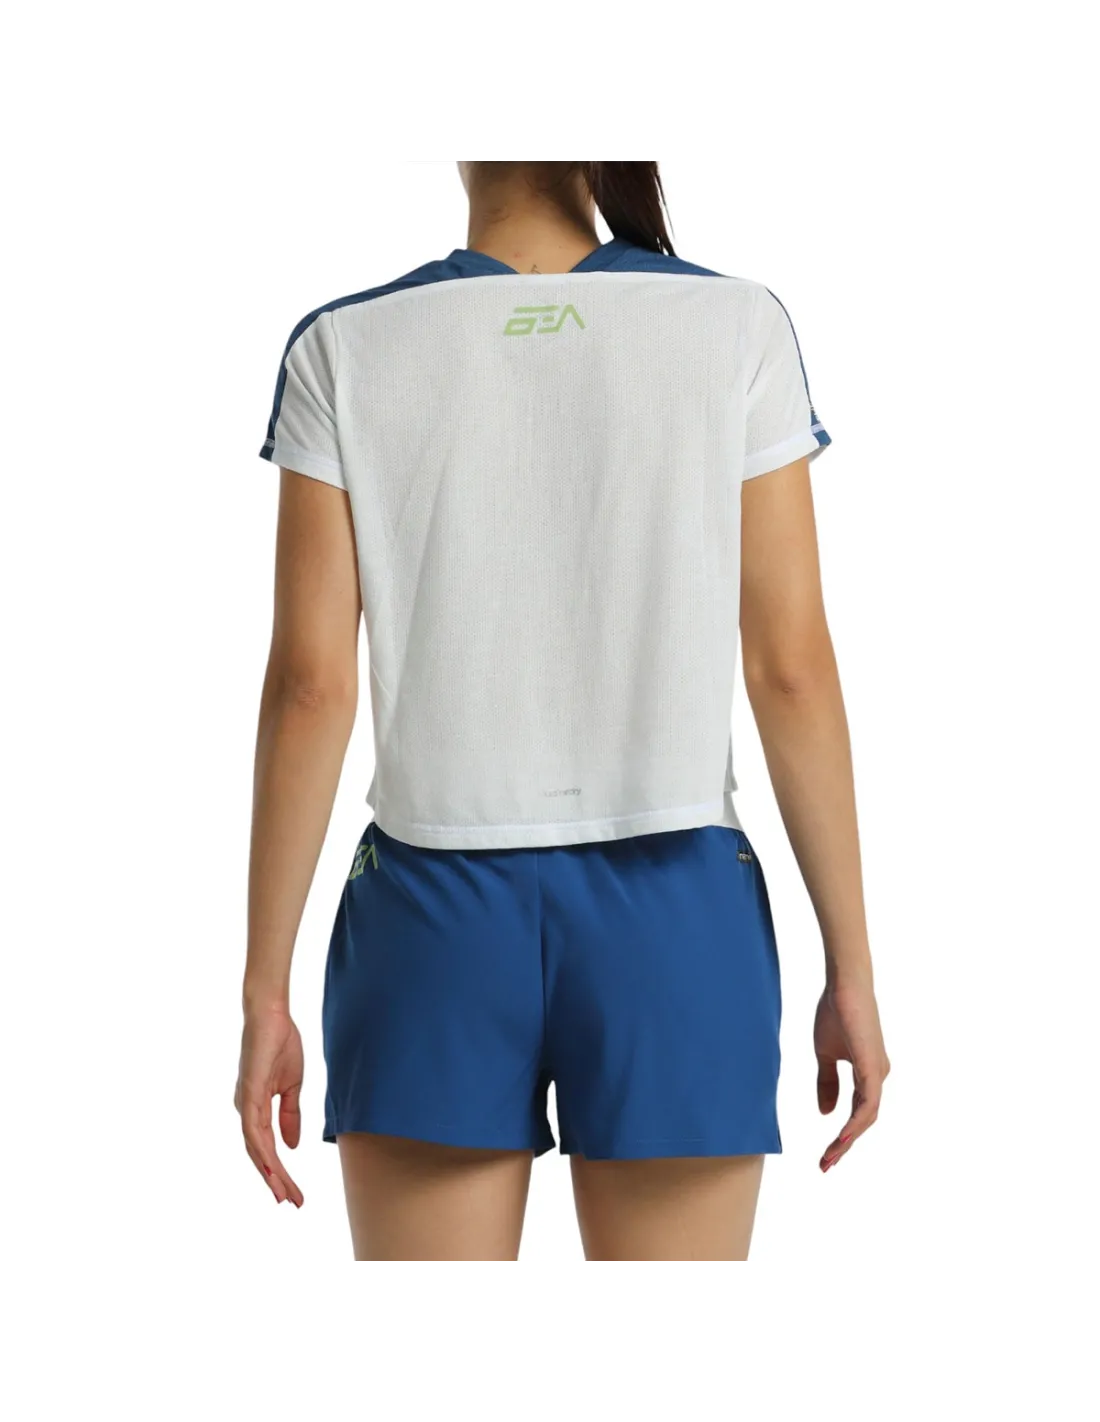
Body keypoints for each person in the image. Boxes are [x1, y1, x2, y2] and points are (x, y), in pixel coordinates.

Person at [234, 159, 890, 1263]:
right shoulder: (734, 325)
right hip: (676, 916)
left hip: (429, 917)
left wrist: (264, 994)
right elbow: (789, 667)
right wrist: (852, 970)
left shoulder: (342, 346)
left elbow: (311, 687)